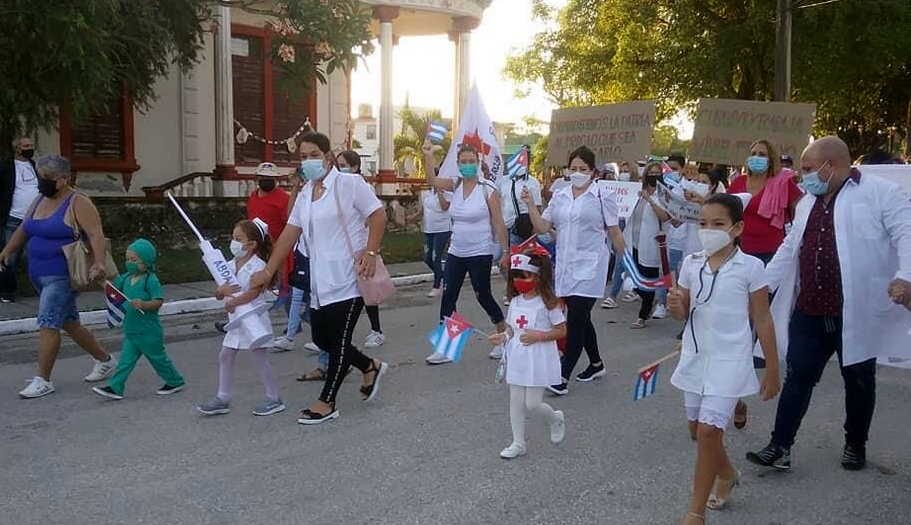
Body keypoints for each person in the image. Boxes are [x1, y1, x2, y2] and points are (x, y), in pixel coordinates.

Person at [746, 136, 911, 472]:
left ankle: (855, 444)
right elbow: (790, 247)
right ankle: (780, 446)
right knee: (798, 376)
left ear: (830, 165)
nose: (801, 176)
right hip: (809, 308)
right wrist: (761, 285)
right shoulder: (808, 201)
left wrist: (906, 275)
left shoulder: (880, 193)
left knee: (859, 380)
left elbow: (907, 232)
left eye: (807, 169)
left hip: (855, 309)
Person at [250, 131, 388, 425]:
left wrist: (372, 253)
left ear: (327, 156)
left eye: (313, 155)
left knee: (338, 340)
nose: (308, 161)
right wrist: (268, 270)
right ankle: (369, 366)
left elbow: (378, 216)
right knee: (321, 337)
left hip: (351, 276)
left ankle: (328, 401)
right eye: (303, 156)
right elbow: (289, 234)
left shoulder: (350, 184)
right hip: (319, 280)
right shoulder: (305, 194)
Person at [668, 193, 780, 525]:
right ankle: (728, 472)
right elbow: (684, 313)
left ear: (737, 228)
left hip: (731, 360)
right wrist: (677, 307)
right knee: (696, 430)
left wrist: (772, 370)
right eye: (703, 224)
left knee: (707, 433)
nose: (708, 230)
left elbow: (763, 319)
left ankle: (695, 512)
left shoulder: (751, 267)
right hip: (695, 357)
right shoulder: (691, 263)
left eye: (718, 224)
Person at [0, 155, 117, 398]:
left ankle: (43, 379)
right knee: (69, 322)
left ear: (63, 179)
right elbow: (24, 228)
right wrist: (6, 252)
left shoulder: (78, 202)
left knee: (48, 321)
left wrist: (97, 262)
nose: (41, 183)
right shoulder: (40, 199)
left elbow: (95, 234)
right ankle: (104, 359)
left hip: (62, 275)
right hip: (38, 274)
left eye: (46, 178)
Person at [524, 145, 626, 395]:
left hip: (592, 268)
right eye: (574, 168)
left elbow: (614, 231)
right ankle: (596, 363)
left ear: (593, 172)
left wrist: (627, 265)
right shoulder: (560, 196)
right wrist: (530, 205)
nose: (578, 172)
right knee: (582, 318)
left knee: (575, 320)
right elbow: (542, 227)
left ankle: (562, 375)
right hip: (566, 267)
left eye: (583, 169)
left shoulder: (603, 197)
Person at [422, 138, 510, 364]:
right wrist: (429, 155)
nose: (467, 165)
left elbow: (498, 222)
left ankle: (503, 336)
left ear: (479, 163)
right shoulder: (455, 185)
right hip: (456, 252)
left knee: (484, 296)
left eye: (471, 161)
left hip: (480, 251)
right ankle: (446, 348)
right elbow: (432, 179)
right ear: (458, 164)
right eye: (463, 161)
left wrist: (506, 251)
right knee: (449, 296)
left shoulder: (487, 190)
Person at [197, 218, 285, 417]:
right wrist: (221, 291)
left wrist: (235, 301)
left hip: (253, 319)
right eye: (233, 238)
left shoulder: (259, 266)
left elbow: (254, 292)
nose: (233, 242)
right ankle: (223, 398)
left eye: (238, 238)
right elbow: (221, 293)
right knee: (225, 355)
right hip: (236, 320)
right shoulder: (227, 265)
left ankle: (274, 398)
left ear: (252, 244)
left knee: (259, 358)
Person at [488, 250, 567, 459]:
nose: (519, 281)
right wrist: (503, 336)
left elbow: (562, 330)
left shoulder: (548, 302)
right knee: (515, 401)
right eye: (515, 277)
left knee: (532, 403)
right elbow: (512, 328)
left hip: (537, 357)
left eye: (524, 276)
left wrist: (539, 336)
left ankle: (555, 418)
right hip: (517, 356)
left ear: (538, 276)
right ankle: (518, 442)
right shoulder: (515, 302)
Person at [92, 239, 185, 400]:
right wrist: (101, 280)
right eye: (128, 259)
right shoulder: (126, 278)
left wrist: (144, 304)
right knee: (125, 362)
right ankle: (115, 387)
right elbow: (113, 290)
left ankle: (175, 381)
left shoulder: (150, 280)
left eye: (134, 260)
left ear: (146, 262)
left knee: (158, 360)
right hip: (132, 331)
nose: (130, 263)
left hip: (149, 332)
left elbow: (158, 301)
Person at [336, 150, 385, 349]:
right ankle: (337, 334)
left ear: (355, 167)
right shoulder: (337, 188)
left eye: (343, 164)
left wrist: (370, 251)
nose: (340, 168)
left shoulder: (362, 188)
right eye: (337, 164)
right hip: (342, 249)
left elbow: (373, 216)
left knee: (367, 292)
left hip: (360, 247)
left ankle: (377, 331)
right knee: (346, 292)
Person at [727, 140, 803, 264]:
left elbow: (801, 210)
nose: (756, 157)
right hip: (739, 251)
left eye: (762, 154)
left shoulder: (783, 183)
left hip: (771, 254)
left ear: (771, 160)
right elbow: (724, 209)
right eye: (753, 154)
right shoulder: (739, 181)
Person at [624, 161, 672, 329]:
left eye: (657, 173)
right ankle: (647, 302)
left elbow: (665, 217)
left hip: (651, 244)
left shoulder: (665, 194)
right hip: (634, 243)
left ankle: (643, 315)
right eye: (650, 173)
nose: (653, 176)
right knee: (639, 278)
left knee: (648, 279)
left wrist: (650, 200)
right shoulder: (637, 192)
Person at [0, 137, 39, 302]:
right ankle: (7, 292)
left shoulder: (35, 166)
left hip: (34, 219)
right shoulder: (7, 167)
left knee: (33, 255)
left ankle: (37, 288)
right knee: (10, 255)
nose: (29, 148)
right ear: (17, 148)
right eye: (25, 146)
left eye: (31, 145)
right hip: (13, 218)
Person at [653, 154, 688, 320]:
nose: (671, 172)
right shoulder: (668, 190)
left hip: (693, 242)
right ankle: (661, 303)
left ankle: (683, 306)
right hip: (673, 239)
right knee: (668, 271)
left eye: (675, 169)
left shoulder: (690, 187)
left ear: (683, 169)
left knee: (685, 277)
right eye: (669, 169)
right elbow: (670, 219)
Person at [414, 182, 452, 298]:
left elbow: (445, 207)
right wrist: (413, 217)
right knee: (427, 258)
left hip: (443, 229)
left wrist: (440, 192)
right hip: (428, 229)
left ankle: (437, 286)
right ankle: (443, 276)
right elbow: (423, 209)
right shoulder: (426, 193)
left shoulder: (448, 193)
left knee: (436, 257)